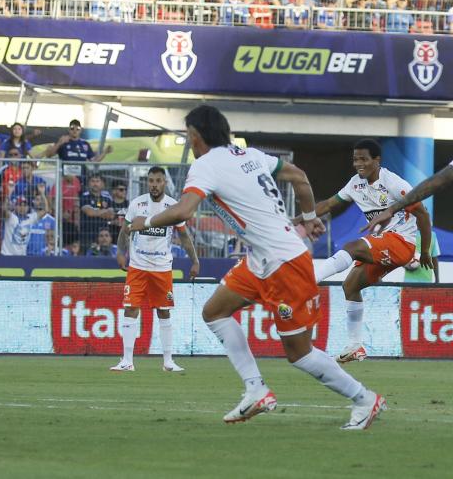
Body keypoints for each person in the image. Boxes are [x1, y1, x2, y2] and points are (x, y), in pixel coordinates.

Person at [129, 105, 385, 430]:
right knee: (214, 311)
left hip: (285, 263)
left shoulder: (205, 165)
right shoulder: (248, 154)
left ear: (195, 135)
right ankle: (256, 390)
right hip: (261, 259)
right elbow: (299, 177)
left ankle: (364, 399)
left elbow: (183, 211)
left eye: (189, 134)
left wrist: (144, 221)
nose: (189, 140)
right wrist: (309, 218)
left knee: (300, 353)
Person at [311, 139, 432, 362]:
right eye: (355, 159)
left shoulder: (394, 183)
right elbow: (328, 205)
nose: (358, 164)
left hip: (401, 242)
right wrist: (302, 217)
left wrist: (424, 251)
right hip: (383, 243)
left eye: (363, 159)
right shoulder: (355, 184)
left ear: (377, 160)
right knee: (350, 286)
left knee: (352, 247)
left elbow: (423, 214)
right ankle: (355, 346)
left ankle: (308, 281)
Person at [113, 165, 200, 372]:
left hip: (162, 268)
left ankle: (168, 361)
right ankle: (127, 361)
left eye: (158, 181)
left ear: (165, 183)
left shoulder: (173, 206)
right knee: (130, 308)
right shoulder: (137, 204)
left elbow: (184, 236)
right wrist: (120, 252)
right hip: (138, 266)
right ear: (147, 182)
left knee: (164, 311)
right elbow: (125, 231)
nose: (154, 185)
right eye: (151, 180)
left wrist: (195, 261)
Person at [43, 119, 112, 163]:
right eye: (72, 128)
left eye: (78, 128)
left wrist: (105, 152)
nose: (75, 130)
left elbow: (94, 161)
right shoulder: (63, 142)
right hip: (67, 178)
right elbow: (49, 155)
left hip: (81, 178)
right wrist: (59, 143)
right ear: (68, 130)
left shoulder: (85, 144)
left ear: (81, 130)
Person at [80, 172, 114, 247]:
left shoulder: (107, 197)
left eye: (97, 181)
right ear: (89, 183)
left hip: (103, 234)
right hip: (88, 233)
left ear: (102, 183)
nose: (95, 184)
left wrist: (95, 212)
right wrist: (104, 212)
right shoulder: (84, 196)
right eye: (92, 181)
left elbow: (111, 215)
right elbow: (89, 212)